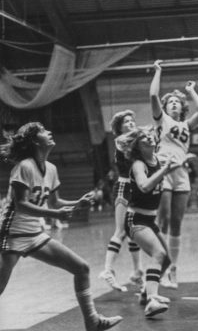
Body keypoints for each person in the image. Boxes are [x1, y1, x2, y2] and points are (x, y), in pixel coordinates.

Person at [0, 122, 122, 331]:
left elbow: (55, 202)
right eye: (44, 131)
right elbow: (21, 205)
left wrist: (78, 202)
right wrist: (54, 214)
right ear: (35, 141)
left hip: (34, 234)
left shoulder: (52, 169)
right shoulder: (24, 167)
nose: (50, 132)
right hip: (12, 234)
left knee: (81, 268)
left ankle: (92, 322)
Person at [150, 60, 198, 288]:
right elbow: (153, 96)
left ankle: (173, 268)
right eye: (170, 102)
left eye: (176, 102)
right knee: (162, 221)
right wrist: (158, 72)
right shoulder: (161, 119)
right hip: (163, 172)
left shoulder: (187, 125)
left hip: (181, 174)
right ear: (165, 107)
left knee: (177, 223)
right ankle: (161, 267)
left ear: (182, 108)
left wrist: (191, 91)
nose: (173, 104)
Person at [116, 127, 184, 317]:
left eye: (150, 135)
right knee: (159, 254)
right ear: (138, 145)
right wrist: (164, 170)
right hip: (135, 218)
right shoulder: (139, 164)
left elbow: (166, 168)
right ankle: (152, 301)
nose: (149, 137)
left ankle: (146, 293)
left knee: (167, 260)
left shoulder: (156, 160)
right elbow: (145, 186)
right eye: (143, 137)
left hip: (149, 219)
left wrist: (181, 162)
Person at [99, 110, 143, 292]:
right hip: (124, 188)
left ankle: (138, 271)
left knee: (134, 231)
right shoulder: (120, 140)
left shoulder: (137, 140)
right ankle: (107, 270)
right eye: (126, 121)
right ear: (120, 127)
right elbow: (137, 138)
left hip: (137, 188)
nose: (131, 123)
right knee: (120, 230)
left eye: (132, 120)